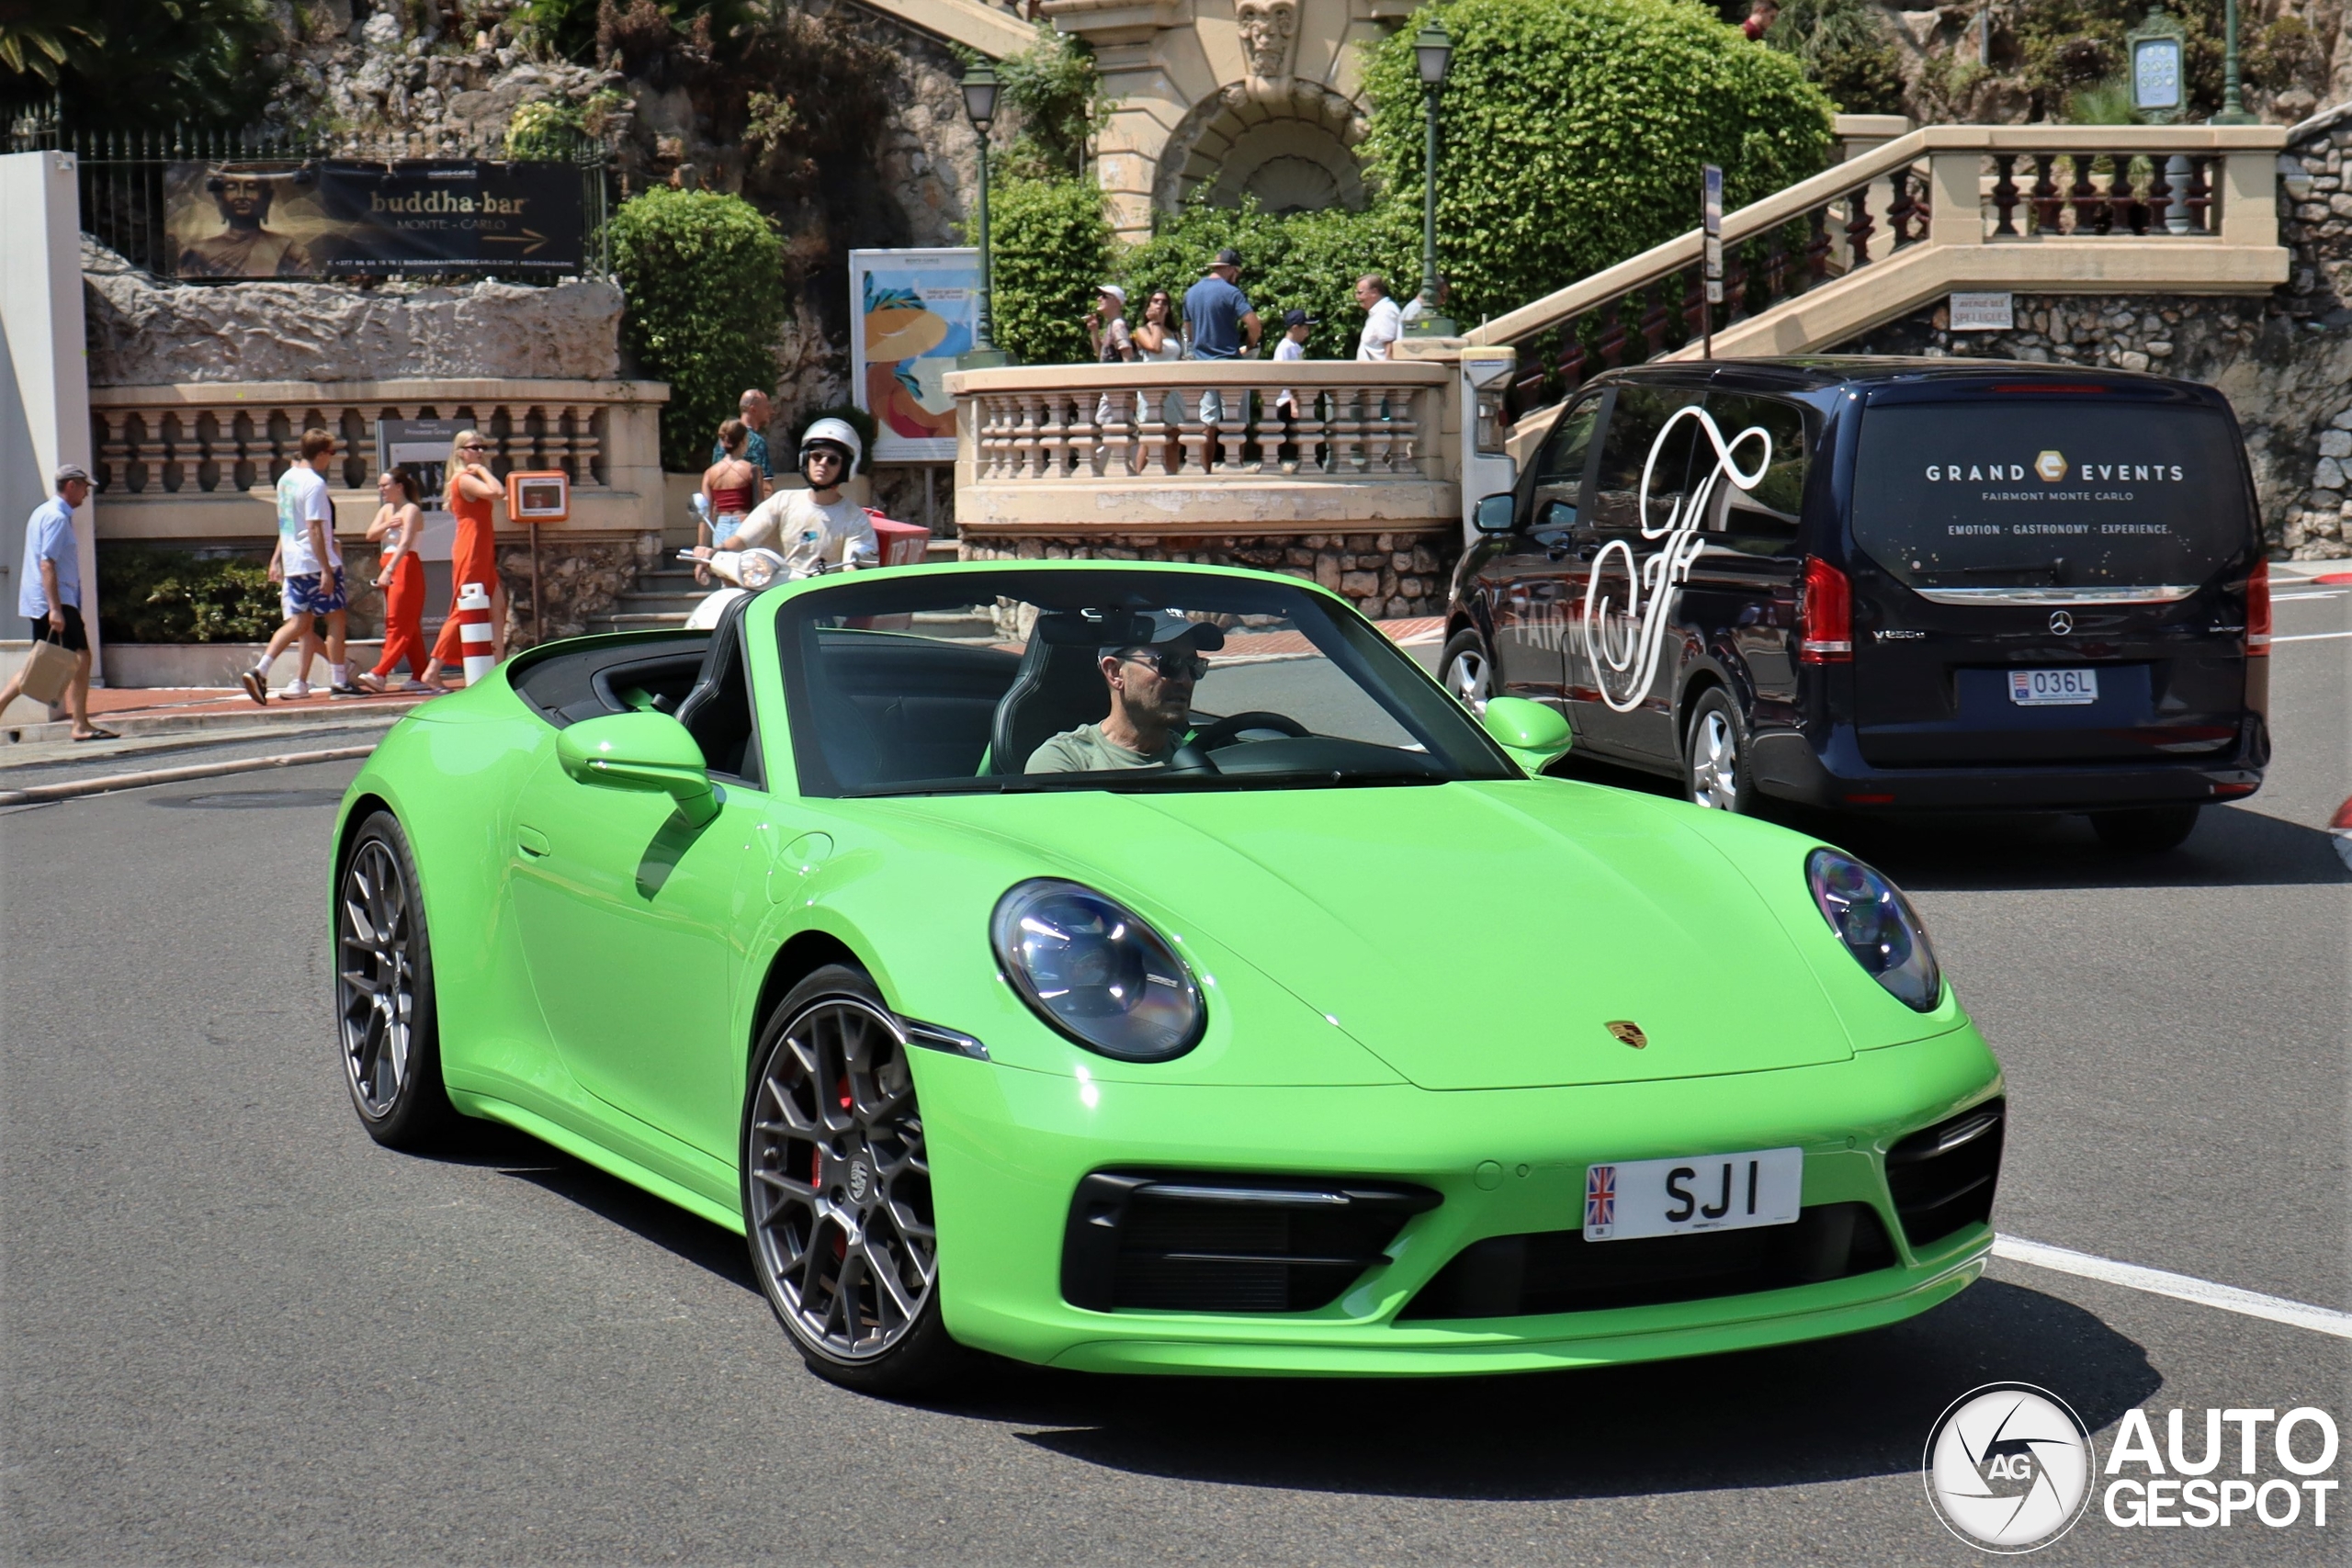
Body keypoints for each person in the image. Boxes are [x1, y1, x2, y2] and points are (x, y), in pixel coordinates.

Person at [1024, 613, 1227, 773]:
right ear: (1114, 672)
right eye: (1168, 663)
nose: (1185, 679)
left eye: (1193, 665)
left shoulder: (1201, 759)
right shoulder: (1067, 762)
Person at [0, 464, 113, 740]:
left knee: (43, 663)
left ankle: (80, 722)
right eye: (84, 487)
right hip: (56, 600)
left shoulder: (44, 513)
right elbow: (47, 564)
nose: (86, 494)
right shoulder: (56, 518)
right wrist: (55, 608)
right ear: (71, 485)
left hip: (50, 600)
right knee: (80, 656)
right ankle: (80, 724)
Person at [242, 429, 353, 704]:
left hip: (294, 563)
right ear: (322, 453)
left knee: (300, 622)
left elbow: (287, 523)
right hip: (314, 559)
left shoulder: (285, 480)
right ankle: (339, 680)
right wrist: (326, 568)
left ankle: (261, 668)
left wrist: (279, 558)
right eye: (332, 452)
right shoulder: (313, 483)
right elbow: (314, 527)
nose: (331, 459)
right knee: (336, 617)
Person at [701, 418, 877, 581]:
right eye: (816, 456)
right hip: (779, 596)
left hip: (826, 606)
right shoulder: (783, 501)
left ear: (846, 467)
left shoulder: (856, 519)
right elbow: (744, 539)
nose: (822, 463)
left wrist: (852, 571)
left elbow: (854, 571)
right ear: (806, 459)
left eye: (832, 460)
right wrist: (713, 552)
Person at [420, 428, 507, 685]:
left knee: (498, 607)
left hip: (482, 548)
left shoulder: (466, 479)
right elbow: (496, 492)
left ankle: (498, 668)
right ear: (461, 452)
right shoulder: (464, 478)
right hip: (471, 549)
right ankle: (432, 671)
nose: (479, 452)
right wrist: (480, 469)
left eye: (481, 447)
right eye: (473, 447)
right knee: (463, 610)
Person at [354, 466, 432, 694]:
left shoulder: (411, 510)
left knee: (398, 622)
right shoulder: (388, 510)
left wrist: (389, 569)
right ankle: (420, 674)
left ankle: (380, 672)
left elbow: (406, 543)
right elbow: (371, 535)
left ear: (399, 486)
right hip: (391, 564)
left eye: (385, 485)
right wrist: (387, 524)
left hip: (404, 566)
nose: (381, 489)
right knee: (408, 624)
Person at [176, 167, 314, 279]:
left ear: (266, 197)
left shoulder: (290, 250)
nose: (241, 195)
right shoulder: (197, 252)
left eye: (251, 187)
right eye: (231, 187)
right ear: (219, 198)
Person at [1184, 248, 1261, 428]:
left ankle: (1206, 459)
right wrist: (1250, 344)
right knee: (1236, 422)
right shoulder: (1231, 292)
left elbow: (1188, 331)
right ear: (1231, 269)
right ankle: (1236, 458)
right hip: (1230, 364)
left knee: (1207, 422)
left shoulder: (1191, 293)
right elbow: (1254, 325)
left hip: (1202, 364)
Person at [698, 420, 761, 584]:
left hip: (721, 528)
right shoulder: (752, 470)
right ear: (743, 441)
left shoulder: (710, 473)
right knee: (748, 581)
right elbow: (760, 509)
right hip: (745, 526)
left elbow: (705, 515)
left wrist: (701, 557)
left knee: (726, 582)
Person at [710, 389, 775, 490]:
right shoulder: (757, 442)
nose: (771, 412)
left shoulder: (722, 440)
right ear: (753, 410)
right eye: (766, 407)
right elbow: (765, 486)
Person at [1354, 274, 1404, 362]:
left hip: (1380, 373)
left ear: (1374, 292)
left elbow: (1390, 347)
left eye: (1360, 292)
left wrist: (1387, 374)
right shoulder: (1378, 312)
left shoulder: (1386, 311)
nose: (1357, 297)